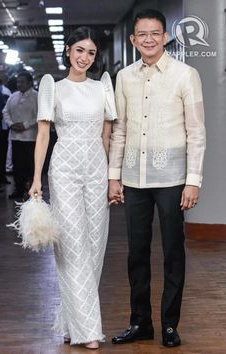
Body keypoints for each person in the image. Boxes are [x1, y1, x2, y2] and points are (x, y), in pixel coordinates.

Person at [109, 9, 206, 348]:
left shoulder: (185, 74)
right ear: (133, 40)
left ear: (165, 37)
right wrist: (113, 176)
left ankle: (169, 324)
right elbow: (119, 130)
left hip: (172, 180)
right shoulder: (124, 77)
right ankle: (140, 323)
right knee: (136, 253)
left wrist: (192, 180)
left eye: (155, 33)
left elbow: (196, 131)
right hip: (134, 178)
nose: (148, 39)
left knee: (173, 253)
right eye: (142, 34)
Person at [29, 26, 117, 349]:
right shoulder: (54, 87)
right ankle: (89, 330)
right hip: (64, 169)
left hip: (96, 168)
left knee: (95, 244)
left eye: (91, 52)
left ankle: (71, 321)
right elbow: (42, 135)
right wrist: (37, 178)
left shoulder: (102, 87)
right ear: (68, 51)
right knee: (73, 245)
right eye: (79, 50)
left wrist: (111, 177)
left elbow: (106, 136)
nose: (85, 57)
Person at [3, 72, 38, 199]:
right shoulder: (13, 96)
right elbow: (5, 111)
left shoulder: (36, 97)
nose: (19, 84)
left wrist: (25, 125)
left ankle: (31, 189)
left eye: (22, 82)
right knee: (17, 166)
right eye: (18, 82)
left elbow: (39, 116)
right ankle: (19, 189)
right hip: (16, 137)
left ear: (30, 83)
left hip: (30, 138)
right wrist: (11, 124)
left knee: (31, 165)